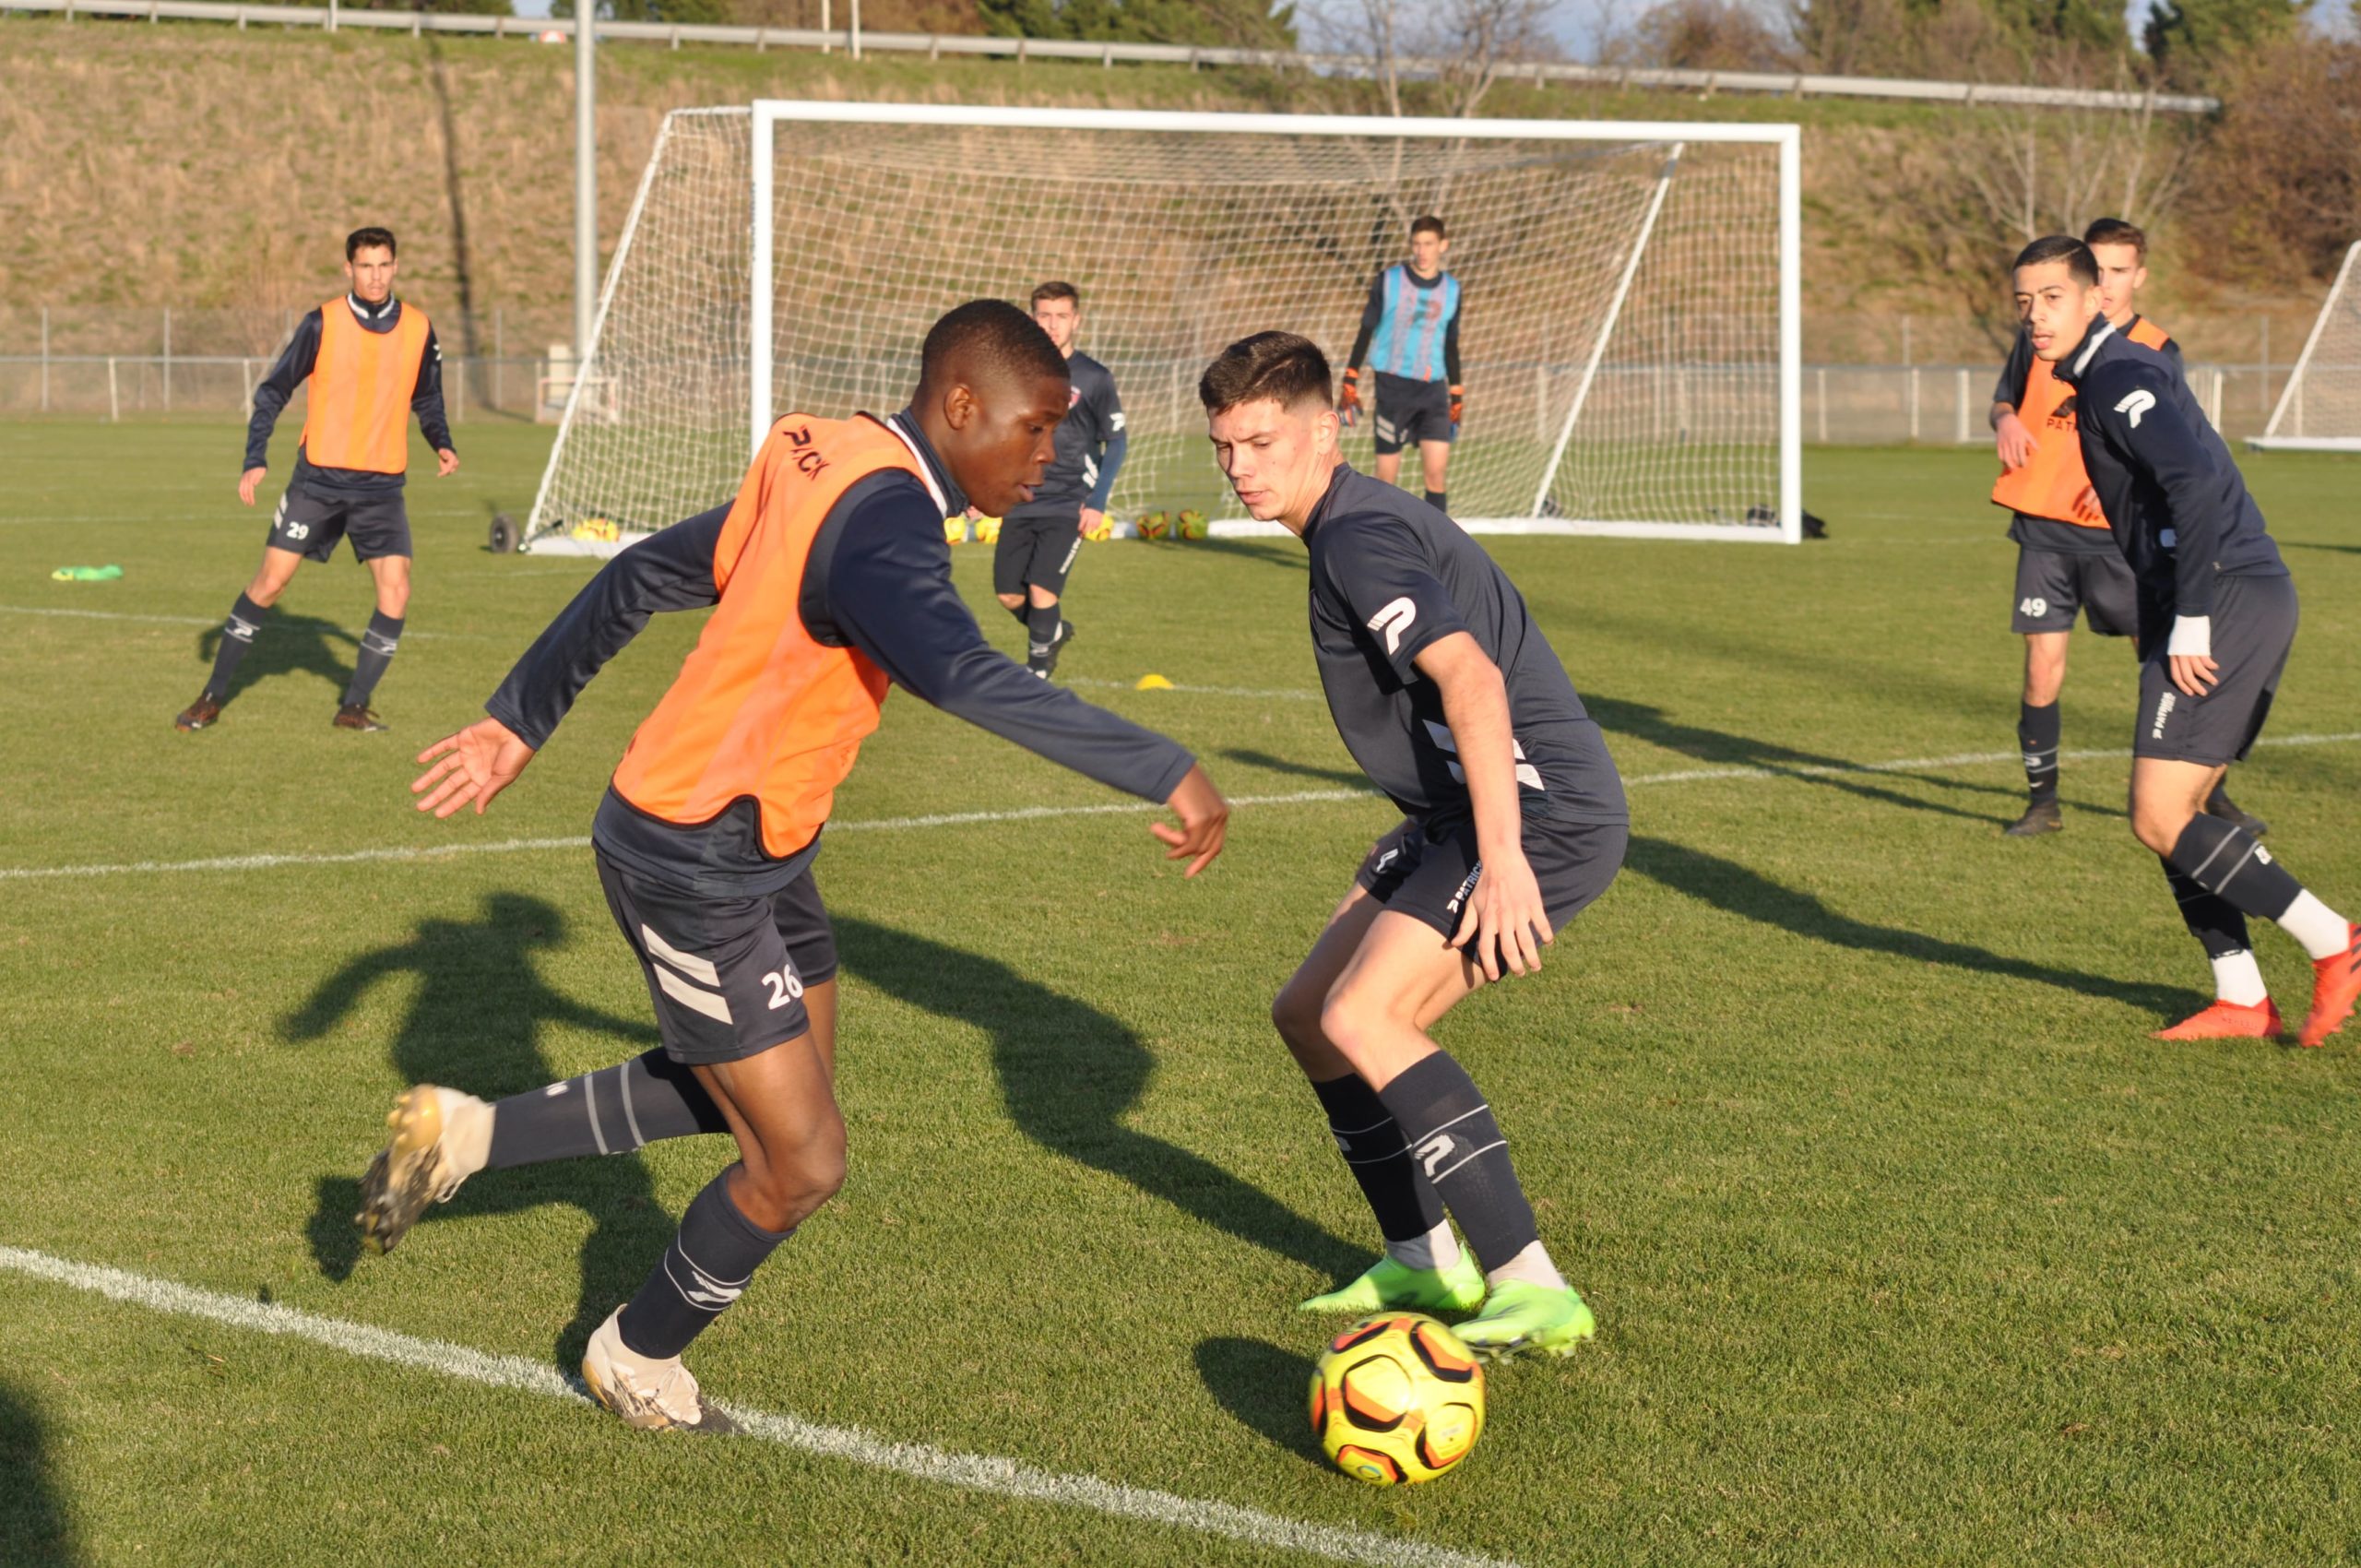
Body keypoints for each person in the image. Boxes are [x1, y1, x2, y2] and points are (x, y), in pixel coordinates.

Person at [359, 301, 1229, 1431]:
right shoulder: (886, 520)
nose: (1050, 452)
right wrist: (1164, 765)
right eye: (1036, 425)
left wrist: (523, 716)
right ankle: (635, 1354)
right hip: (692, 855)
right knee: (803, 1159)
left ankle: (465, 1135)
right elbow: (959, 672)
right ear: (962, 405)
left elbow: (643, 571)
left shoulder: (831, 457)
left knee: (773, 1099)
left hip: (763, 841)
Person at [1201, 331, 1624, 1358]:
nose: (1239, 467)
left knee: (1367, 1012)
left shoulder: (1356, 536)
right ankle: (1422, 1258)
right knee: (1308, 1014)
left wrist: (1505, 857)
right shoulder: (1348, 525)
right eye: (1224, 446)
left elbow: (1471, 678)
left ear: (1324, 430)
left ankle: (1533, 1286)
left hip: (1541, 808)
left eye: (1260, 443)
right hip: (1461, 811)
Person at [2018, 234, 2361, 1044]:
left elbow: (2195, 481)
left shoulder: (2118, 375)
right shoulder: (2102, 372)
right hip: (2210, 594)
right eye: (2025, 301)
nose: (2035, 316)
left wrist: (2195, 615)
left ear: (2096, 297)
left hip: (2223, 596)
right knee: (2179, 811)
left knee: (2159, 813)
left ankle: (2335, 941)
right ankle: (2242, 997)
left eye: (2053, 298)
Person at [1989, 218, 2262, 838]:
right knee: (2042, 667)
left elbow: (2176, 455)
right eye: (2100, 267)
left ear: (2135, 277)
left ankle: (2201, 792)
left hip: (2120, 536)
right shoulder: (2042, 334)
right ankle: (2043, 803)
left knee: (2167, 663)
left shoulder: (2149, 352)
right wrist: (2004, 418)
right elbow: (2006, 396)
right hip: (2043, 526)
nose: (2108, 282)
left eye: (2118, 271)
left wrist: (2116, 477)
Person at [176, 226, 457, 733]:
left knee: (396, 593)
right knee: (270, 583)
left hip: (381, 488)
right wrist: (255, 456)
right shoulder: (321, 323)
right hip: (318, 482)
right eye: (365, 266)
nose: (375, 276)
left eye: (384, 265)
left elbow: (428, 396)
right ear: (349, 269)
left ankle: (353, 707)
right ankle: (211, 697)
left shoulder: (418, 327)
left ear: (395, 267)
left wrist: (441, 440)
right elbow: (274, 390)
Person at [991, 281, 1125, 678]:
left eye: (1061, 316)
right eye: (1044, 315)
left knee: (1041, 589)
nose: (1052, 325)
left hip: (1070, 500)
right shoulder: (1016, 375)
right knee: (1008, 594)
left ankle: (1037, 673)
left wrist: (1097, 501)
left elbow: (1116, 441)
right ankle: (1052, 632)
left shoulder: (1095, 377)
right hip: (1023, 497)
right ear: (1032, 318)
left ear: (1076, 320)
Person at [1339, 217, 1463, 513]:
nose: (1422, 251)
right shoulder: (1389, 281)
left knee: (1436, 474)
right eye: (1416, 243)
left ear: (1443, 245)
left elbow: (1450, 344)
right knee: (1386, 480)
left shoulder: (1452, 289)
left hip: (1433, 391)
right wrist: (1350, 378)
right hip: (1392, 387)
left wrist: (1457, 394)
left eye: (1429, 244)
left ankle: (1435, 542)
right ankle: (1380, 539)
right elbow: (1366, 330)